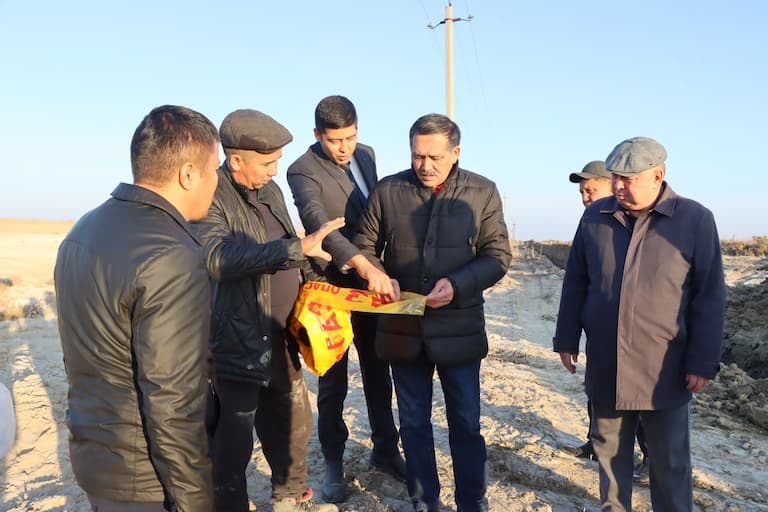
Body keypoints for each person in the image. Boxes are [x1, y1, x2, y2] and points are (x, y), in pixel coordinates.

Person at [54, 105, 220, 511]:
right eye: (215, 169)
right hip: (145, 477)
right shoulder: (170, 254)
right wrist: (195, 502)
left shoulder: (83, 229)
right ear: (188, 173)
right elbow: (172, 401)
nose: (216, 182)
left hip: (95, 457)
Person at [553, 137, 725, 511]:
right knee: (610, 460)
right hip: (607, 363)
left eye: (628, 179)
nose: (618, 186)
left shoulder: (694, 220)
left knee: (669, 465)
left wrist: (702, 361)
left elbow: (709, 297)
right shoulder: (595, 217)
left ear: (658, 175)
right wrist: (566, 337)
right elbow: (576, 281)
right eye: (615, 177)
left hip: (664, 367)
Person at [354, 113, 512, 512]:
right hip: (402, 329)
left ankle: (472, 501)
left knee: (466, 424)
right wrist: (376, 273)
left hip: (459, 329)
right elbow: (365, 246)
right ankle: (424, 501)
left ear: (456, 152)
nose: (425, 166)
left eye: (435, 157)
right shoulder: (389, 191)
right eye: (417, 156)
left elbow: (497, 256)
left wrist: (457, 284)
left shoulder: (482, 191)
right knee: (413, 424)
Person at [194, 109, 342, 512]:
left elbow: (295, 244)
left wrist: (317, 278)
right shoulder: (211, 195)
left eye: (277, 161)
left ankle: (288, 495)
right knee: (234, 437)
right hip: (236, 339)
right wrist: (294, 249)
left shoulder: (271, 191)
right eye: (267, 163)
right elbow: (218, 259)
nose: (275, 171)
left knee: (292, 422)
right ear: (235, 160)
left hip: (282, 331)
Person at [286, 95, 405, 503]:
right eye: (335, 140)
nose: (344, 148)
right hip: (329, 286)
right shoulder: (302, 169)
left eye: (350, 137)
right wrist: (364, 267)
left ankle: (385, 449)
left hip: (372, 286)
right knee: (333, 378)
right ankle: (334, 460)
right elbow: (320, 224)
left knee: (378, 369)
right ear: (317, 134)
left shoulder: (366, 154)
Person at [563, 160, 649, 480]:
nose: (585, 197)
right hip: (600, 329)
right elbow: (577, 280)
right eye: (582, 192)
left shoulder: (632, 223)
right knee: (597, 390)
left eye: (591, 190)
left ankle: (650, 459)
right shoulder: (591, 222)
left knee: (635, 396)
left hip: (636, 331)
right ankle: (596, 443)